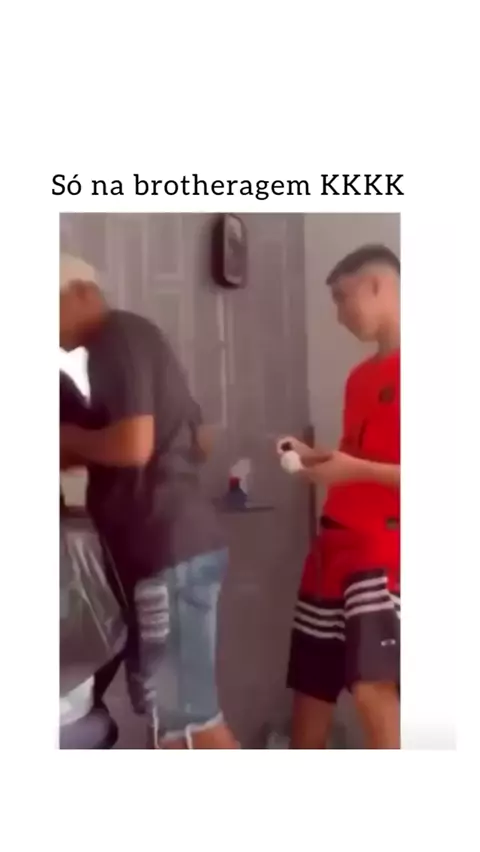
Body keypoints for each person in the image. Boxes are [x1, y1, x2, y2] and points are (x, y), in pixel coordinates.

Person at [59, 254, 237, 749]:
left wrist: (68, 438)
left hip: (167, 551)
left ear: (79, 293)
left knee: (188, 718)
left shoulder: (115, 335)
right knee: (171, 718)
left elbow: (134, 445)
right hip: (170, 550)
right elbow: (198, 439)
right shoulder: (128, 345)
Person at [281, 244, 400, 749]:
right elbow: (356, 457)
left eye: (341, 297)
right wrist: (315, 459)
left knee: (373, 690)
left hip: (382, 552)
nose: (338, 314)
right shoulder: (359, 377)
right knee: (311, 689)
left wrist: (354, 470)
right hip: (331, 549)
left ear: (376, 285)